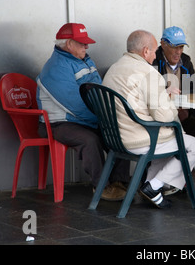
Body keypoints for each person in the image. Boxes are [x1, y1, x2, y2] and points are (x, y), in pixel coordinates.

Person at [103, 30, 195, 209]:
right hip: (139, 139)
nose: (156, 54)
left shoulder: (114, 68)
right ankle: (153, 186)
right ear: (146, 51)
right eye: (155, 50)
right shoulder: (148, 72)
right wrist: (170, 104)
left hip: (114, 138)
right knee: (194, 145)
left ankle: (151, 188)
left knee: (167, 143)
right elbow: (164, 116)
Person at [36, 23, 129, 201]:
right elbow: (75, 106)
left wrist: (111, 118)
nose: (86, 47)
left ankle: (120, 183)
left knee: (118, 132)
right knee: (90, 139)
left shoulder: (84, 59)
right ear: (69, 44)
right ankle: (101, 187)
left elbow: (99, 90)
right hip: (59, 123)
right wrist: (103, 118)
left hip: (84, 119)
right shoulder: (56, 68)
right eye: (82, 43)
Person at [152, 26, 195, 138]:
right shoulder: (153, 61)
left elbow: (193, 90)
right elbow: (150, 93)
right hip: (160, 117)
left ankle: (188, 155)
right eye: (174, 47)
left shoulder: (186, 61)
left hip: (182, 116)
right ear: (163, 44)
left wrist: (184, 107)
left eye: (181, 47)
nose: (178, 52)